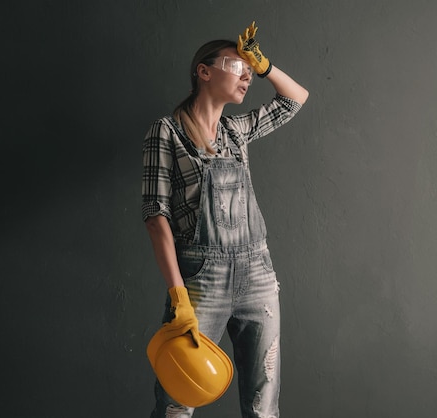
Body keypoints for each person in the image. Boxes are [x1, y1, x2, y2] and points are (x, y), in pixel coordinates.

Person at [141, 21, 309, 418]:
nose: (247, 75)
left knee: (263, 401)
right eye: (237, 66)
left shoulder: (236, 130)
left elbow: (295, 99)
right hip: (201, 281)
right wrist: (178, 295)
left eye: (250, 70)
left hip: (258, 274)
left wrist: (264, 65)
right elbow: (155, 216)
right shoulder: (166, 132)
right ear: (203, 71)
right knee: (176, 402)